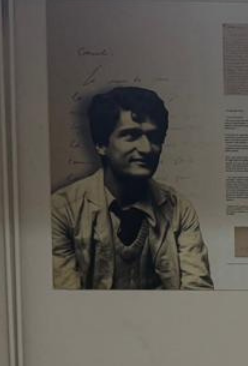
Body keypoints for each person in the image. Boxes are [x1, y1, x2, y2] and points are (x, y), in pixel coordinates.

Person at [51, 87, 212, 290]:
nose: (146, 148)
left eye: (154, 137)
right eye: (131, 135)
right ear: (101, 144)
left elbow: (197, 294)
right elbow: (64, 301)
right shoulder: (62, 210)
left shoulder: (179, 209)